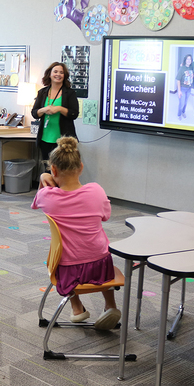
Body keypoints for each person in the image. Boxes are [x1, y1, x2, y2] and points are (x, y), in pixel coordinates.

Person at [31, 136, 120, 330]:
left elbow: (36, 202)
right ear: (81, 167)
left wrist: (43, 178)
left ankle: (77, 308)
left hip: (69, 270)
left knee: (66, 255)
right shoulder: (96, 191)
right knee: (101, 252)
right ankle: (110, 305)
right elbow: (105, 216)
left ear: (53, 170)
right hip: (101, 265)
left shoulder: (47, 196)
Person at [31, 62, 79, 162]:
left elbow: (74, 113)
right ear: (50, 74)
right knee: (48, 168)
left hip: (64, 141)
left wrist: (60, 109)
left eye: (61, 72)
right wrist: (44, 110)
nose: (58, 74)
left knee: (62, 168)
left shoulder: (70, 93)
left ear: (64, 76)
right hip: (45, 138)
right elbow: (34, 113)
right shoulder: (42, 92)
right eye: (55, 72)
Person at [175, 54, 193, 120]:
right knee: (182, 103)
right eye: (187, 59)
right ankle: (179, 114)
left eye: (190, 59)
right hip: (182, 88)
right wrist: (179, 91)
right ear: (185, 60)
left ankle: (183, 112)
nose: (189, 60)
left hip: (189, 89)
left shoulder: (191, 67)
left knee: (185, 103)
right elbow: (178, 80)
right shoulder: (182, 68)